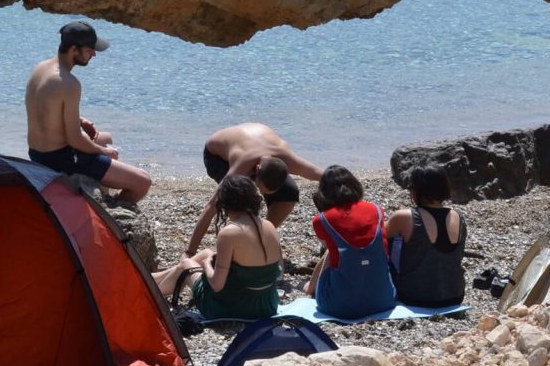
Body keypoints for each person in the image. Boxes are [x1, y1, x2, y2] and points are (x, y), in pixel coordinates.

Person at [25, 21, 152, 203]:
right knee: (142, 181)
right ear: (74, 49)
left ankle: (104, 192)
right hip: (61, 160)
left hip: (37, 153)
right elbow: (74, 140)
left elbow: (45, 111)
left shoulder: (41, 68)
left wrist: (80, 120)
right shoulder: (69, 83)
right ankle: (111, 210)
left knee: (105, 137)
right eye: (90, 49)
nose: (94, 54)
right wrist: (104, 152)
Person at [153, 174, 282, 321]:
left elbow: (217, 285)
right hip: (267, 305)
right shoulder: (269, 225)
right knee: (207, 252)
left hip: (233, 309)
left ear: (225, 203)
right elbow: (279, 272)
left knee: (186, 265)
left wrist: (207, 264)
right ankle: (151, 279)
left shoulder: (229, 233)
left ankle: (151, 292)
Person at [185, 123, 323, 257]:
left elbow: (323, 175)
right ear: (256, 169)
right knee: (241, 199)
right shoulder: (242, 165)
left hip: (254, 142)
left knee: (289, 193)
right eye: (260, 188)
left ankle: (260, 238)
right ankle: (239, 242)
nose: (260, 193)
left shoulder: (290, 160)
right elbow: (211, 207)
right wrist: (189, 253)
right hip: (217, 157)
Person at [306, 165, 396, 318]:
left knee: (333, 251)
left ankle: (310, 287)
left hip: (337, 306)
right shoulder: (376, 209)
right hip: (384, 301)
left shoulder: (321, 220)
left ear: (324, 192)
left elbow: (329, 251)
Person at [384, 164, 467, 307]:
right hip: (454, 296)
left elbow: (374, 238)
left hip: (415, 297)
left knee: (390, 241)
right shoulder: (458, 217)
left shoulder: (404, 217)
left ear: (417, 191)